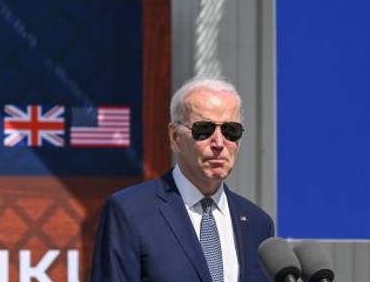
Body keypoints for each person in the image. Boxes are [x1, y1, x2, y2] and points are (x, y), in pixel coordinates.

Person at [91, 77, 274, 282]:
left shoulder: (258, 224)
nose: (219, 143)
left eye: (231, 131)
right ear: (175, 137)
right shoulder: (130, 212)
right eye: (203, 130)